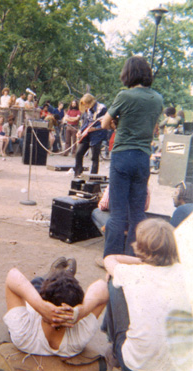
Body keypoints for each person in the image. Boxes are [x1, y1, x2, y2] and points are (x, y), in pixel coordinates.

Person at [102, 219, 191, 371]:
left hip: (136, 365)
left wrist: (141, 261)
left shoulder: (132, 273)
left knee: (113, 281)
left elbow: (109, 259)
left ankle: (114, 352)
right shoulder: (187, 272)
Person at [101, 56, 163, 257]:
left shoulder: (124, 96)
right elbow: (152, 128)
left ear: (128, 74)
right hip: (143, 157)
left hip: (122, 155)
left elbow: (104, 124)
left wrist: (116, 123)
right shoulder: (158, 99)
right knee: (137, 213)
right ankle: (131, 257)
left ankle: (111, 258)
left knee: (118, 213)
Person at [3, 257, 109, 357]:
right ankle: (64, 276)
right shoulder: (77, 341)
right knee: (66, 290)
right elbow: (103, 286)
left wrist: (40, 306)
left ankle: (54, 275)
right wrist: (83, 311)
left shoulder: (24, 336)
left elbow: (12, 275)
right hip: (54, 298)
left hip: (35, 296)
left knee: (37, 283)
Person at [74, 94, 107, 177]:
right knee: (79, 153)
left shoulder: (101, 108)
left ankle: (93, 176)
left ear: (91, 102)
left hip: (97, 135)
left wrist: (95, 129)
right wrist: (80, 131)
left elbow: (106, 123)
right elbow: (85, 122)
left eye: (86, 104)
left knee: (94, 157)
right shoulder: (87, 110)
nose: (85, 106)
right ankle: (78, 173)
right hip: (87, 134)